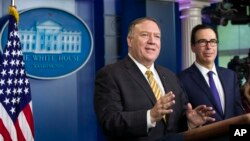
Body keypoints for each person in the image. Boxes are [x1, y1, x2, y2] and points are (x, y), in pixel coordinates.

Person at [94, 17, 215, 141]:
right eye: (145, 35)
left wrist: (190, 122)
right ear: (130, 41)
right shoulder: (110, 74)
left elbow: (174, 125)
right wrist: (150, 116)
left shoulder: (170, 76)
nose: (152, 41)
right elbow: (110, 122)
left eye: (157, 36)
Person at [178, 24, 244, 124]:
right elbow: (179, 120)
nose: (209, 47)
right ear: (193, 47)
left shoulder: (230, 76)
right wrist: (191, 123)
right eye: (202, 42)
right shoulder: (181, 80)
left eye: (213, 41)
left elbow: (238, 113)